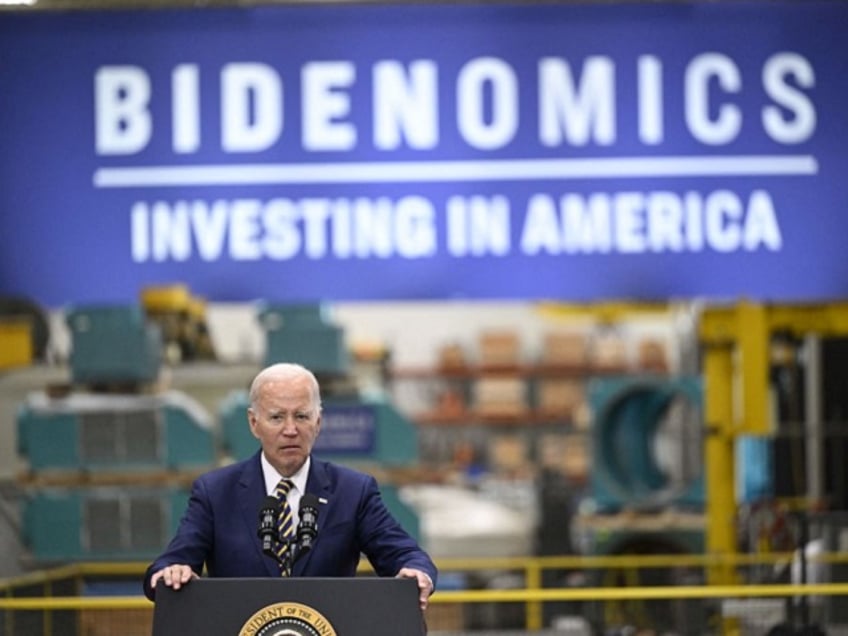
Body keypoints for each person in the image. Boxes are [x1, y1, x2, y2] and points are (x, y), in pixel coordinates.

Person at [143, 362, 437, 611]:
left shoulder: (353, 491)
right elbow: (171, 562)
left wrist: (416, 571)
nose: (290, 430)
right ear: (253, 423)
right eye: (276, 417)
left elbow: (406, 554)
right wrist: (171, 572)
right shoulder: (215, 492)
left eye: (301, 416)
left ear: (318, 422)